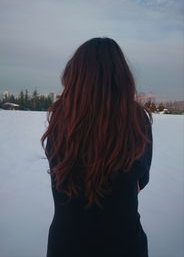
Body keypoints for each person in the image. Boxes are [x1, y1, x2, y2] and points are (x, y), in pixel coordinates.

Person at [41, 37, 153, 257]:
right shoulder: (137, 118)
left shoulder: (61, 117)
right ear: (121, 76)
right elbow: (140, 182)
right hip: (124, 243)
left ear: (75, 74)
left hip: (66, 243)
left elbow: (58, 170)